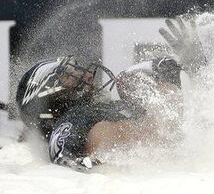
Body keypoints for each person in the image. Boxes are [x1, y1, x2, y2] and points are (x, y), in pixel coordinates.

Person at [15, 54, 184, 171]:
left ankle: (188, 70)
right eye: (68, 75)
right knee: (101, 130)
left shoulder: (95, 109)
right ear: (51, 96)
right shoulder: (74, 117)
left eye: (75, 70)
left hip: (169, 145)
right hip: (158, 153)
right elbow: (61, 155)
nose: (84, 74)